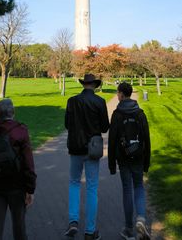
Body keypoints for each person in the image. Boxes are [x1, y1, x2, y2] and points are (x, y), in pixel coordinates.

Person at [0, 98, 37, 240]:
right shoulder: (21, 131)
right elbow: (28, 163)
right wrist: (30, 189)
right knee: (19, 227)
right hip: (17, 185)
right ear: (13, 112)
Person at [64, 74, 110, 240]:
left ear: (84, 84)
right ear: (95, 85)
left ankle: (73, 221)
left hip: (75, 147)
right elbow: (105, 127)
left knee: (74, 183)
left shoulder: (72, 101)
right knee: (91, 187)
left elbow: (67, 124)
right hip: (93, 148)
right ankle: (90, 231)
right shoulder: (99, 102)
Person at [108, 82, 151, 240]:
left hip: (123, 158)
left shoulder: (117, 114)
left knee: (127, 189)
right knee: (139, 186)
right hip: (139, 157)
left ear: (120, 94)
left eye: (117, 93)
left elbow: (112, 141)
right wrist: (147, 161)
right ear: (131, 93)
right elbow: (146, 139)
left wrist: (111, 164)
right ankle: (141, 218)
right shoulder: (140, 114)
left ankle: (128, 229)